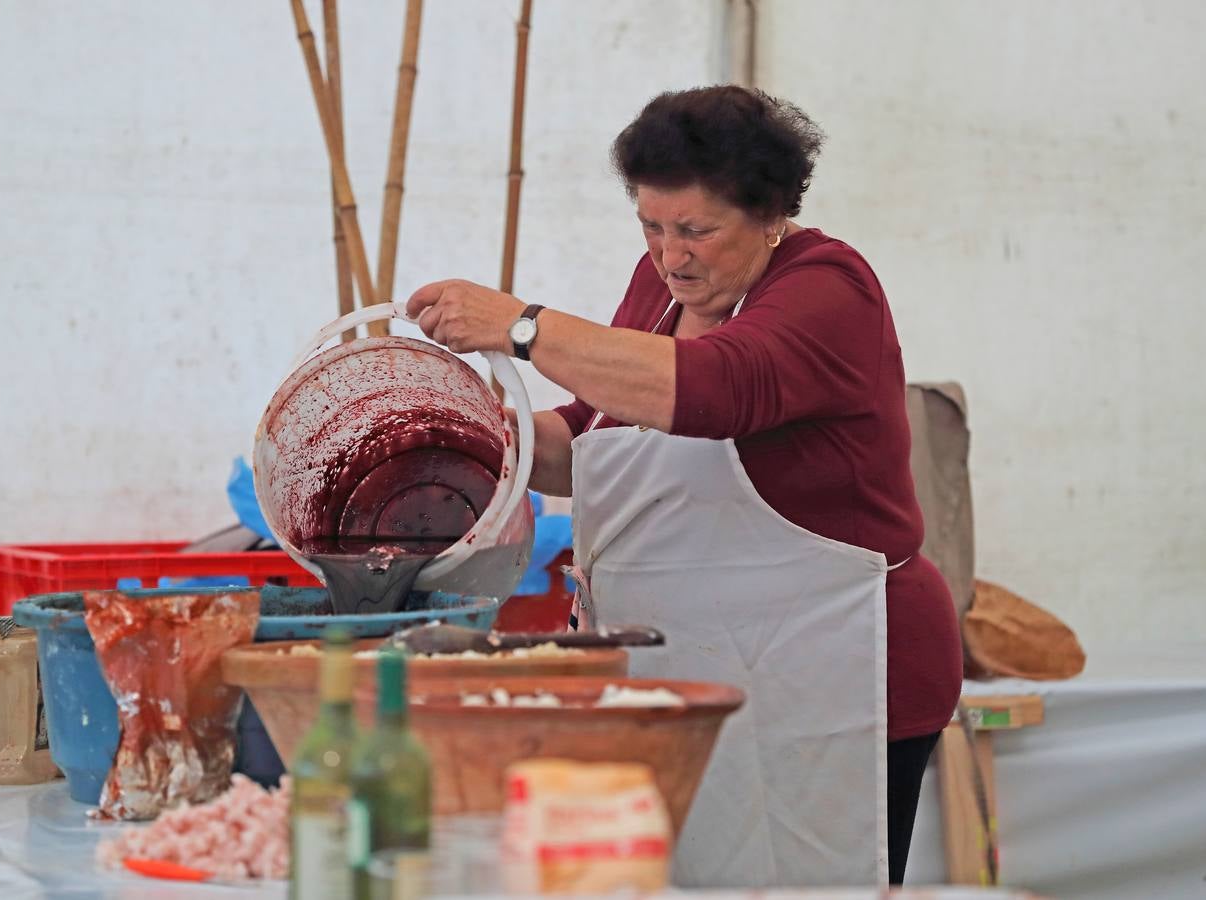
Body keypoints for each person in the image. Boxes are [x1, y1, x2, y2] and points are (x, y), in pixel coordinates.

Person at [406, 85, 962, 888]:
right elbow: (596, 434)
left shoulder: (831, 288)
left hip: (832, 672)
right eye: (651, 226)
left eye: (697, 230)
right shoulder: (659, 289)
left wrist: (522, 327)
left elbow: (711, 391)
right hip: (688, 674)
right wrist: (480, 436)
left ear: (771, 214)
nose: (671, 255)